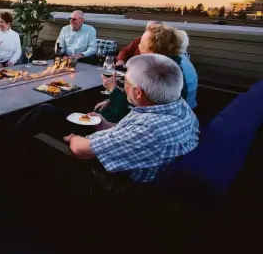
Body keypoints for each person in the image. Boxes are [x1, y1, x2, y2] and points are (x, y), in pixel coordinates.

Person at [14, 54, 199, 183]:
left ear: (138, 92)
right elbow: (130, 135)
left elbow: (79, 149)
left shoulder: (149, 131)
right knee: (47, 110)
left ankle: (12, 159)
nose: (122, 85)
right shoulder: (178, 106)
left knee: (41, 120)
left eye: (125, 82)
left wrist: (71, 138)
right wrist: (105, 124)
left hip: (107, 181)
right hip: (126, 150)